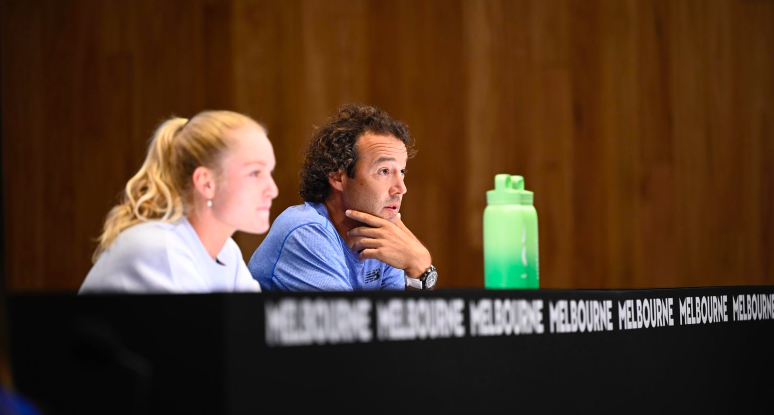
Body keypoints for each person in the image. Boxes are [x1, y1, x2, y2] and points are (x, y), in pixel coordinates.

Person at [79, 110, 278, 294]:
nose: (273, 190)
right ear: (206, 183)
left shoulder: (226, 252)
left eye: (270, 172)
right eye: (255, 173)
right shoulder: (160, 249)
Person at [248, 103, 436, 291]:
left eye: (401, 171)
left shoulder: (383, 236)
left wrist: (420, 268)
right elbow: (342, 312)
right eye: (384, 171)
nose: (401, 188)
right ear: (337, 177)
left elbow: (400, 310)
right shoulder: (306, 232)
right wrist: (418, 262)